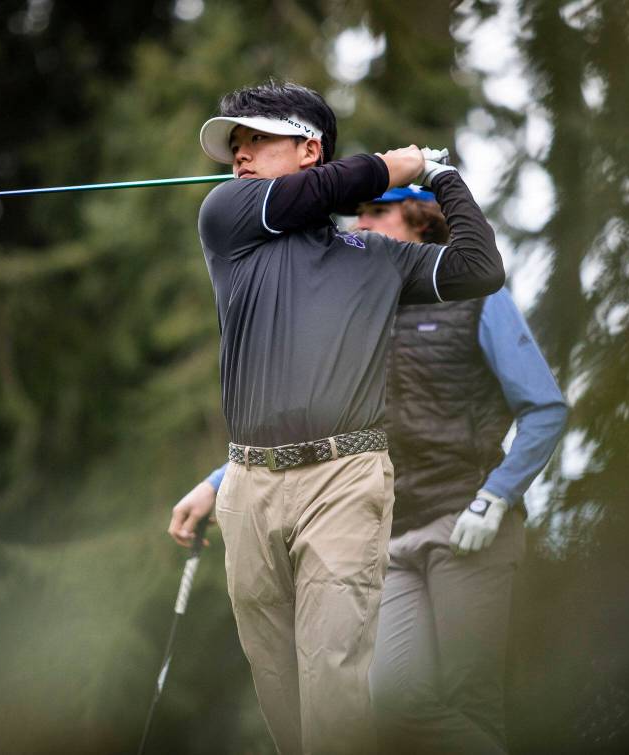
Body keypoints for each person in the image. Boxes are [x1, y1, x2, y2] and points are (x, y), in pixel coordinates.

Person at [174, 184, 566, 754]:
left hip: (468, 521)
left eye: (377, 211)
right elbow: (315, 425)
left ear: (420, 222)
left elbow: (544, 408)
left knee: (469, 700)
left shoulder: (478, 300)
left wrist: (497, 496)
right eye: (357, 213)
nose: (361, 224)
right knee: (392, 701)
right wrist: (217, 484)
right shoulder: (351, 310)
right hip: (386, 532)